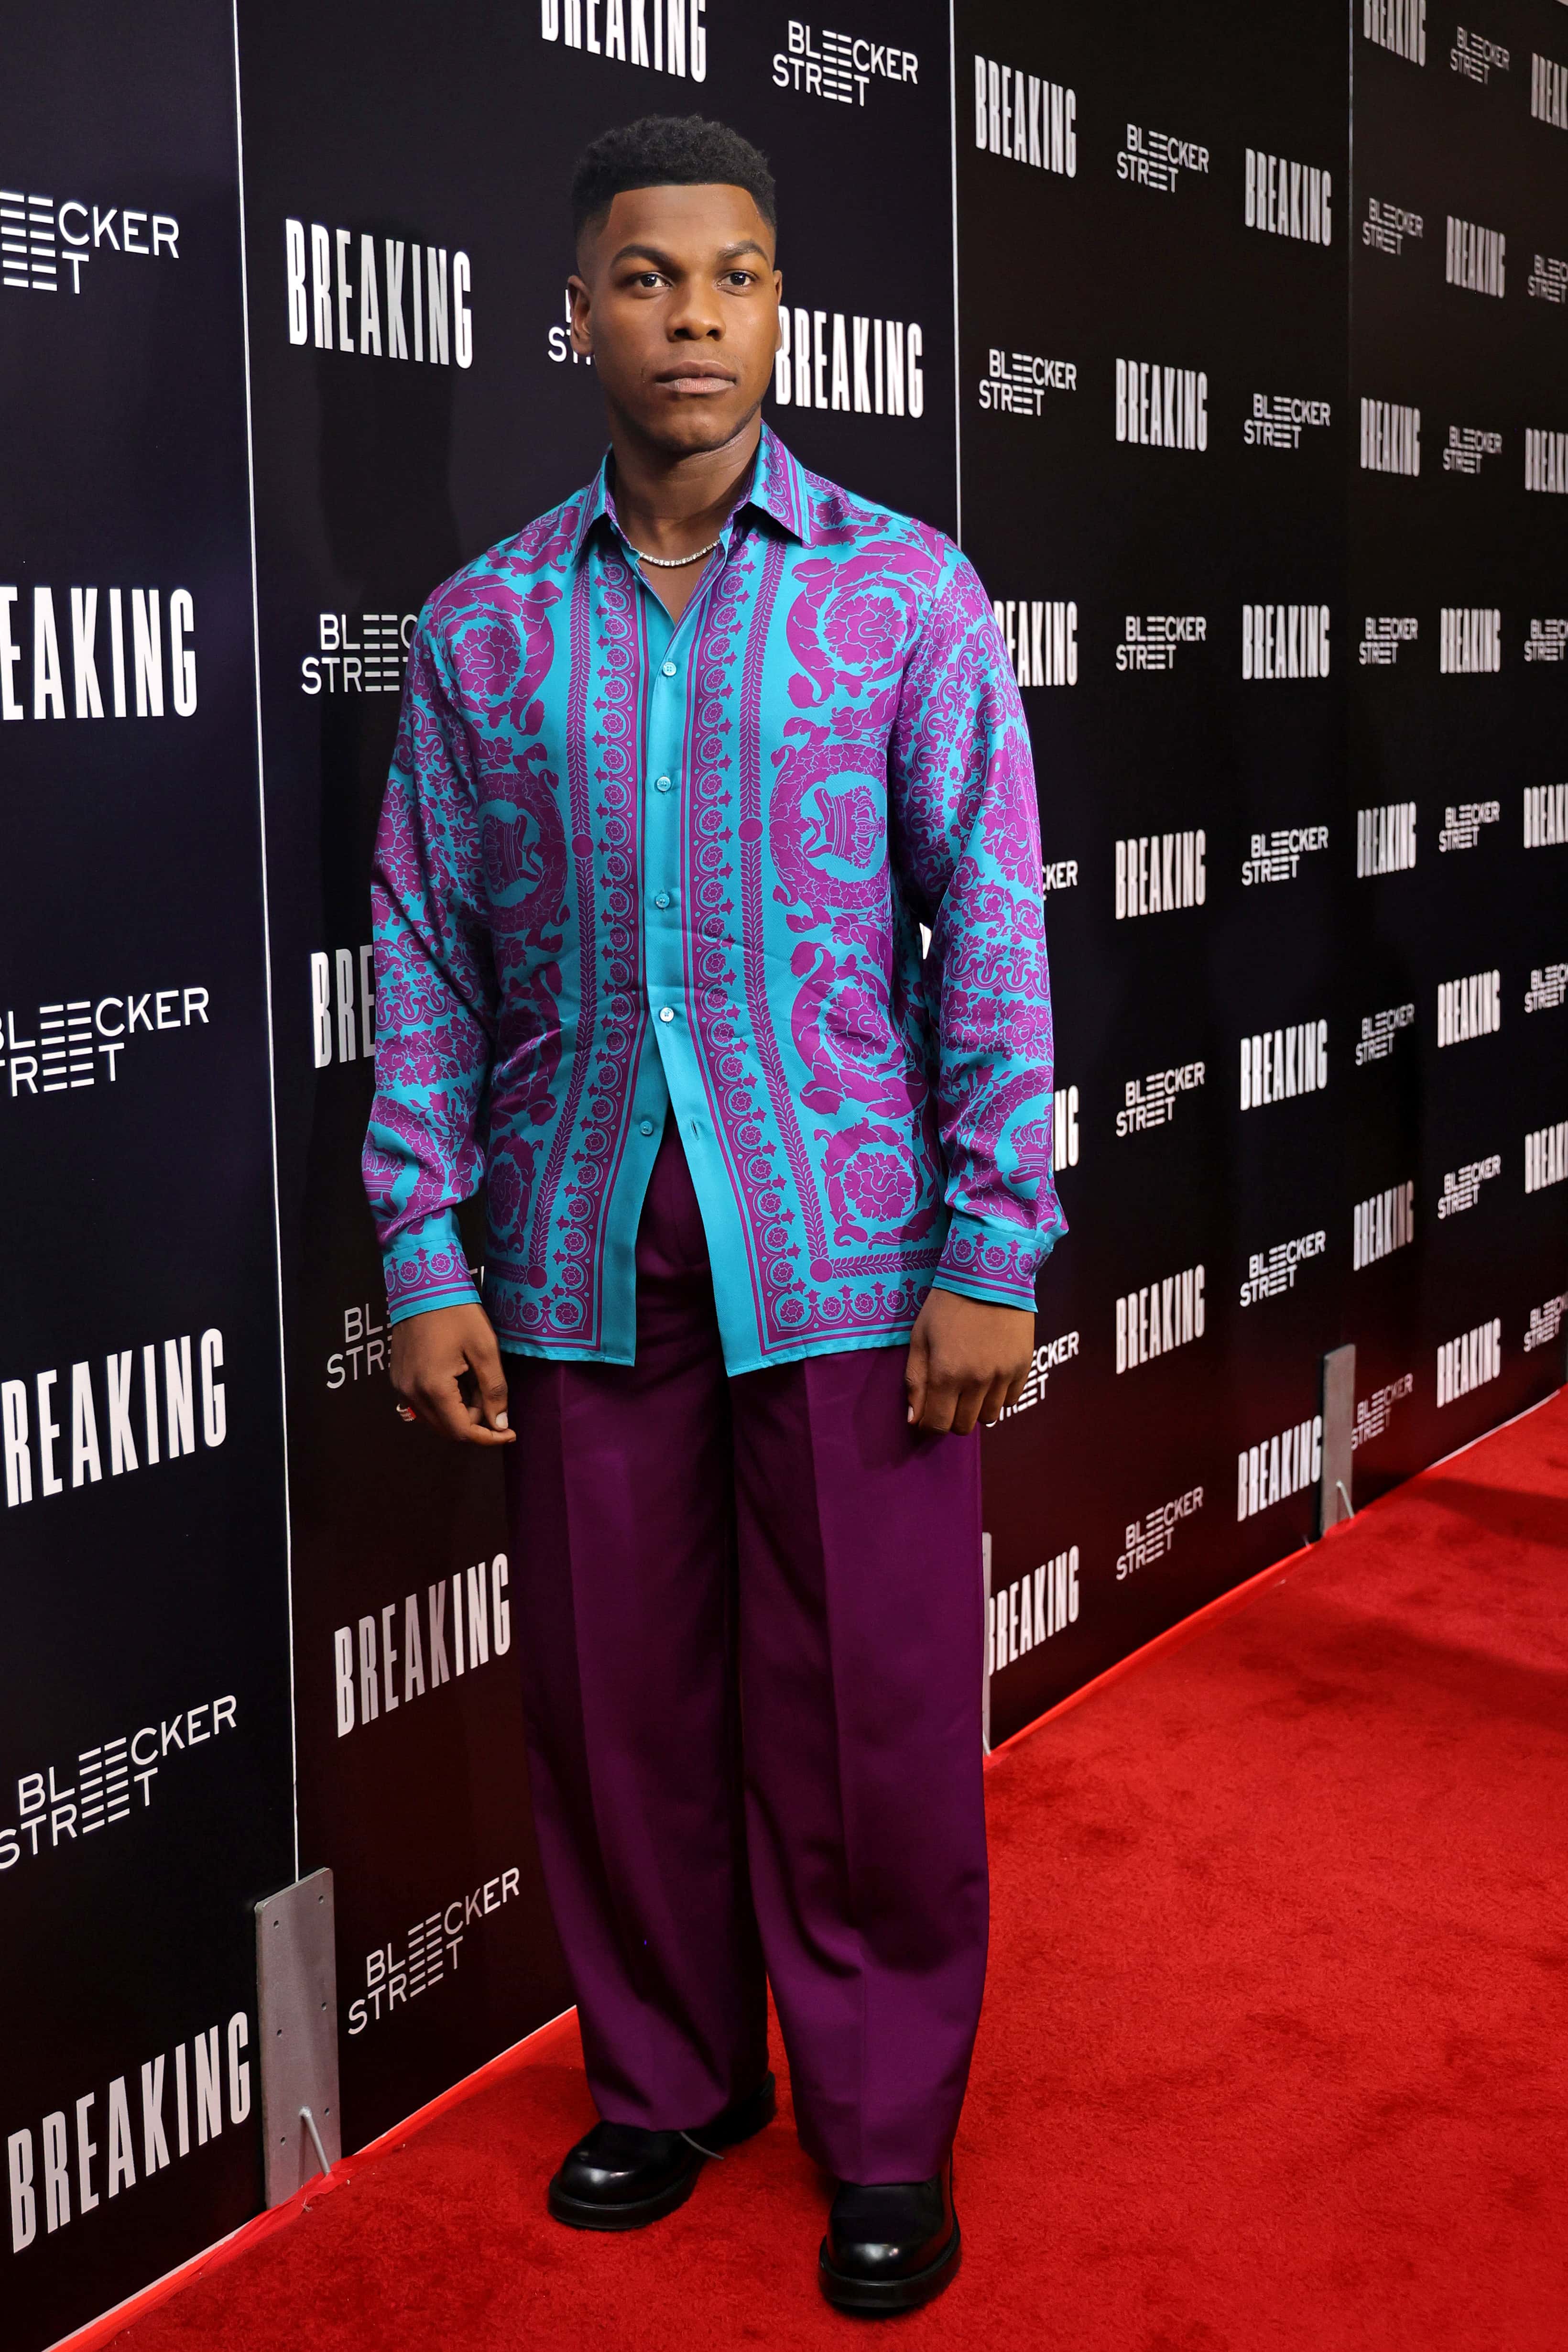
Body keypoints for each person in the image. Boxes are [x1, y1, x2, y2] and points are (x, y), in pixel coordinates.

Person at [364, 112, 1063, 2316]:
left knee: (864, 1716)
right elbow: (424, 960)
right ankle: (670, 2086)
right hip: (576, 1249)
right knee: (617, 1702)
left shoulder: (901, 591)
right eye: (648, 278)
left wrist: (987, 1247)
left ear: (782, 307)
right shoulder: (484, 630)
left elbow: (993, 937)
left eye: (735, 276)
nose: (692, 316)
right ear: (571, 313)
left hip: (849, 1257)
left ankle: (880, 2133)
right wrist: (420, 1249)